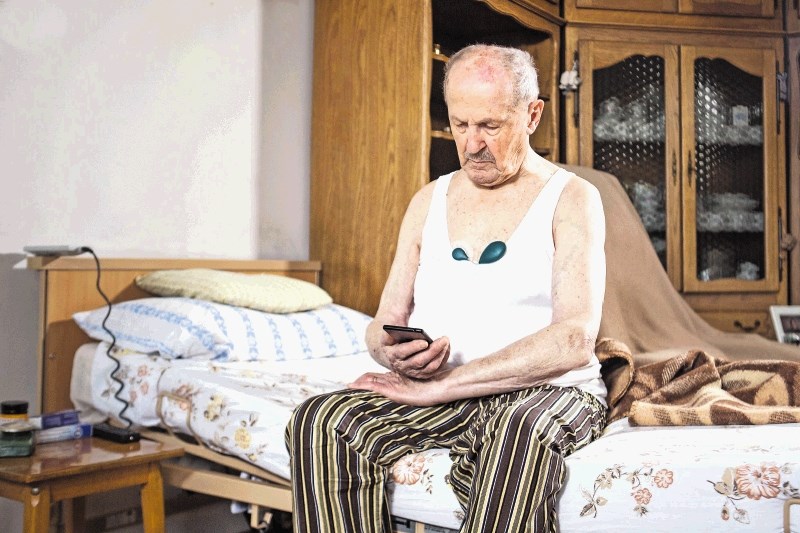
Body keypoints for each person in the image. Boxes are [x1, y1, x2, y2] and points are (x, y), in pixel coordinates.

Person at [286, 43, 608, 532]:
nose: (472, 144)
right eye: (460, 125)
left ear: (532, 115)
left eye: (490, 126)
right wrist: (391, 353)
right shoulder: (427, 200)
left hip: (546, 392)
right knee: (321, 421)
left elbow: (574, 340)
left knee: (516, 433)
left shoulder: (572, 198)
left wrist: (444, 386)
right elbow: (382, 323)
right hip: (442, 394)